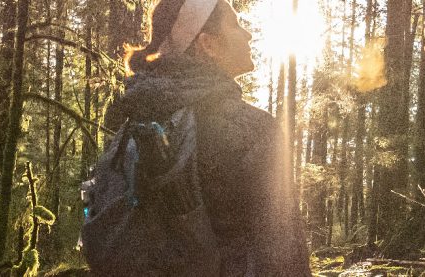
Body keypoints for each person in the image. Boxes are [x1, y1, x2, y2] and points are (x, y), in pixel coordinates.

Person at [104, 0, 311, 274]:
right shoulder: (253, 129)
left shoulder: (131, 126)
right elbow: (284, 254)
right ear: (208, 44)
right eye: (236, 25)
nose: (247, 34)